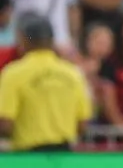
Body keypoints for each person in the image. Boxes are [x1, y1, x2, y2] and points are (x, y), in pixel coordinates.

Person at [0, 13, 93, 151]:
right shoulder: (73, 74)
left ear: (23, 40)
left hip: (27, 158)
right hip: (64, 157)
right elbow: (83, 125)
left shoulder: (13, 74)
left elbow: (5, 124)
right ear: (51, 41)